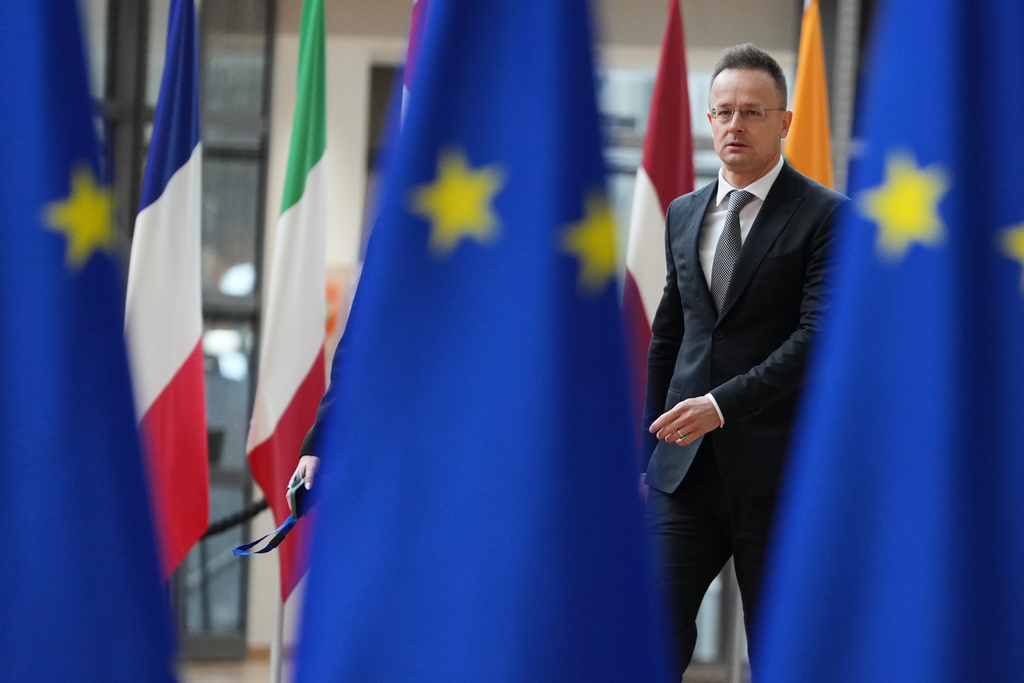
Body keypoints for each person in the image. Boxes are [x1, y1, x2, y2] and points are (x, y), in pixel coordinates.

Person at [641, 43, 848, 676]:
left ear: (784, 121)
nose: (736, 125)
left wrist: (720, 406)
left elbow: (815, 343)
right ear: (708, 120)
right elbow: (669, 338)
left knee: (784, 653)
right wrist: (644, 454)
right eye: (724, 112)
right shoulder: (683, 212)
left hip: (780, 475)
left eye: (753, 112)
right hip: (685, 476)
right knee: (643, 632)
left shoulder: (827, 217)